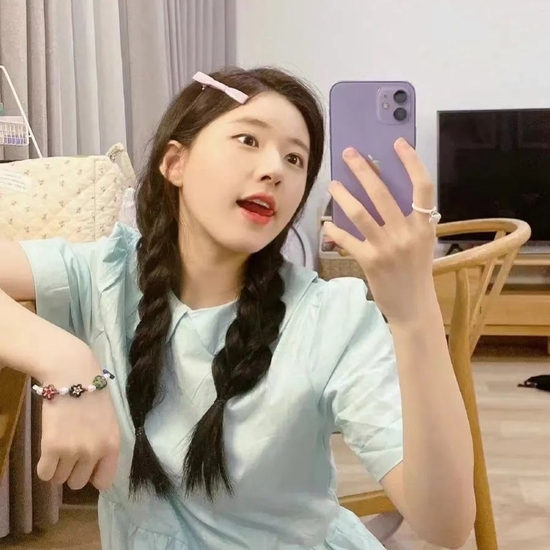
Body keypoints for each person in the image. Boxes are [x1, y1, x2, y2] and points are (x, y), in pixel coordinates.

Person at [0, 67, 475, 549]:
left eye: (295, 158)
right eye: (249, 140)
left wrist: (414, 314)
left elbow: (446, 525)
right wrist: (63, 358)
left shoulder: (331, 317)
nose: (275, 170)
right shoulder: (104, 276)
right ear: (175, 163)